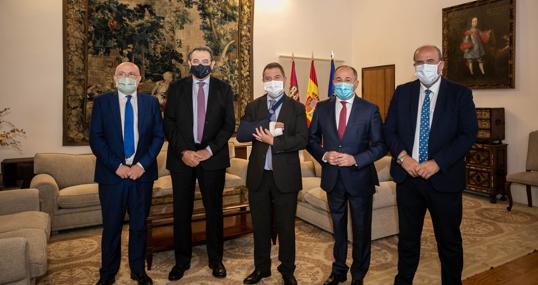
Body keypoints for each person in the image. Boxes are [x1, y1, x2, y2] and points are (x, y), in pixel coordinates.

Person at [384, 45, 478, 285]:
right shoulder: (402, 92)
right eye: (419, 62)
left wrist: (438, 163)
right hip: (408, 179)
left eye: (430, 60)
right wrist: (404, 158)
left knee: (448, 241)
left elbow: (467, 135)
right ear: (414, 66)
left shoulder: (460, 94)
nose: (424, 66)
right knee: (407, 240)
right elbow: (389, 131)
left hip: (444, 180)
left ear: (441, 64)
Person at [307, 65, 386, 285]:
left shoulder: (369, 109)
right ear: (333, 83)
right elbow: (311, 140)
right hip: (333, 179)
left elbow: (381, 146)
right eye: (339, 79)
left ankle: (358, 275)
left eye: (348, 79)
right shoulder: (322, 108)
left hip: (360, 179)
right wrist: (324, 155)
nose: (343, 83)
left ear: (356, 83)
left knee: (361, 231)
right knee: (338, 230)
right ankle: (338, 270)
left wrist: (356, 159)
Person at [163, 46, 235, 281]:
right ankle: (181, 261)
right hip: (181, 158)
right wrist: (184, 151)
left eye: (205, 60)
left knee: (214, 211)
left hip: (212, 159)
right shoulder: (176, 88)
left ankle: (216, 260)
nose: (201, 64)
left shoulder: (224, 89)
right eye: (196, 60)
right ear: (188, 62)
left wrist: (209, 150)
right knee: (181, 211)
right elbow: (169, 123)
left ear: (213, 64)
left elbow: (228, 125)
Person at [89, 62, 164, 285]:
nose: (126, 78)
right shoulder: (102, 103)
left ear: (140, 79)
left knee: (139, 226)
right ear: (114, 78)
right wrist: (117, 167)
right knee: (111, 227)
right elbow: (96, 138)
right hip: (112, 177)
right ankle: (108, 272)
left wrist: (141, 166)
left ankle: (138, 270)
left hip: (142, 176)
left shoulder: (151, 103)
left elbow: (158, 136)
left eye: (131, 74)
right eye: (121, 74)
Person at [236, 62, 308, 285]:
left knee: (286, 228)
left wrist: (273, 141)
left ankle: (287, 271)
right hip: (259, 176)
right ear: (263, 81)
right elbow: (241, 135)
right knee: (260, 226)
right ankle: (261, 269)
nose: (272, 81)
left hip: (285, 178)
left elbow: (302, 139)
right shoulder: (254, 106)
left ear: (284, 79)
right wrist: (260, 128)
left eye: (276, 76)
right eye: (268, 77)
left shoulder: (296, 108)